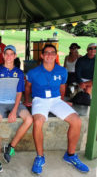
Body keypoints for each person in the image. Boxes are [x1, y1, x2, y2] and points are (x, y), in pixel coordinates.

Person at [24, 44, 89, 175]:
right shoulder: (33, 72)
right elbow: (27, 88)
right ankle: (40, 157)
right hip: (40, 99)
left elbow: (62, 87)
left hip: (56, 100)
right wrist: (27, 100)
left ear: (56, 55)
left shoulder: (62, 71)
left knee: (76, 121)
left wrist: (63, 100)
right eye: (46, 53)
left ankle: (70, 155)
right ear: (42, 55)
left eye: (52, 52)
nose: (49, 55)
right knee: (37, 122)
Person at [0, 45, 33, 175]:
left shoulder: (19, 73)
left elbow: (19, 94)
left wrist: (14, 110)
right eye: (7, 54)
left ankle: (11, 147)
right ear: (3, 56)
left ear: (15, 56)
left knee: (29, 119)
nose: (9, 56)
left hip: (14, 103)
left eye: (12, 54)